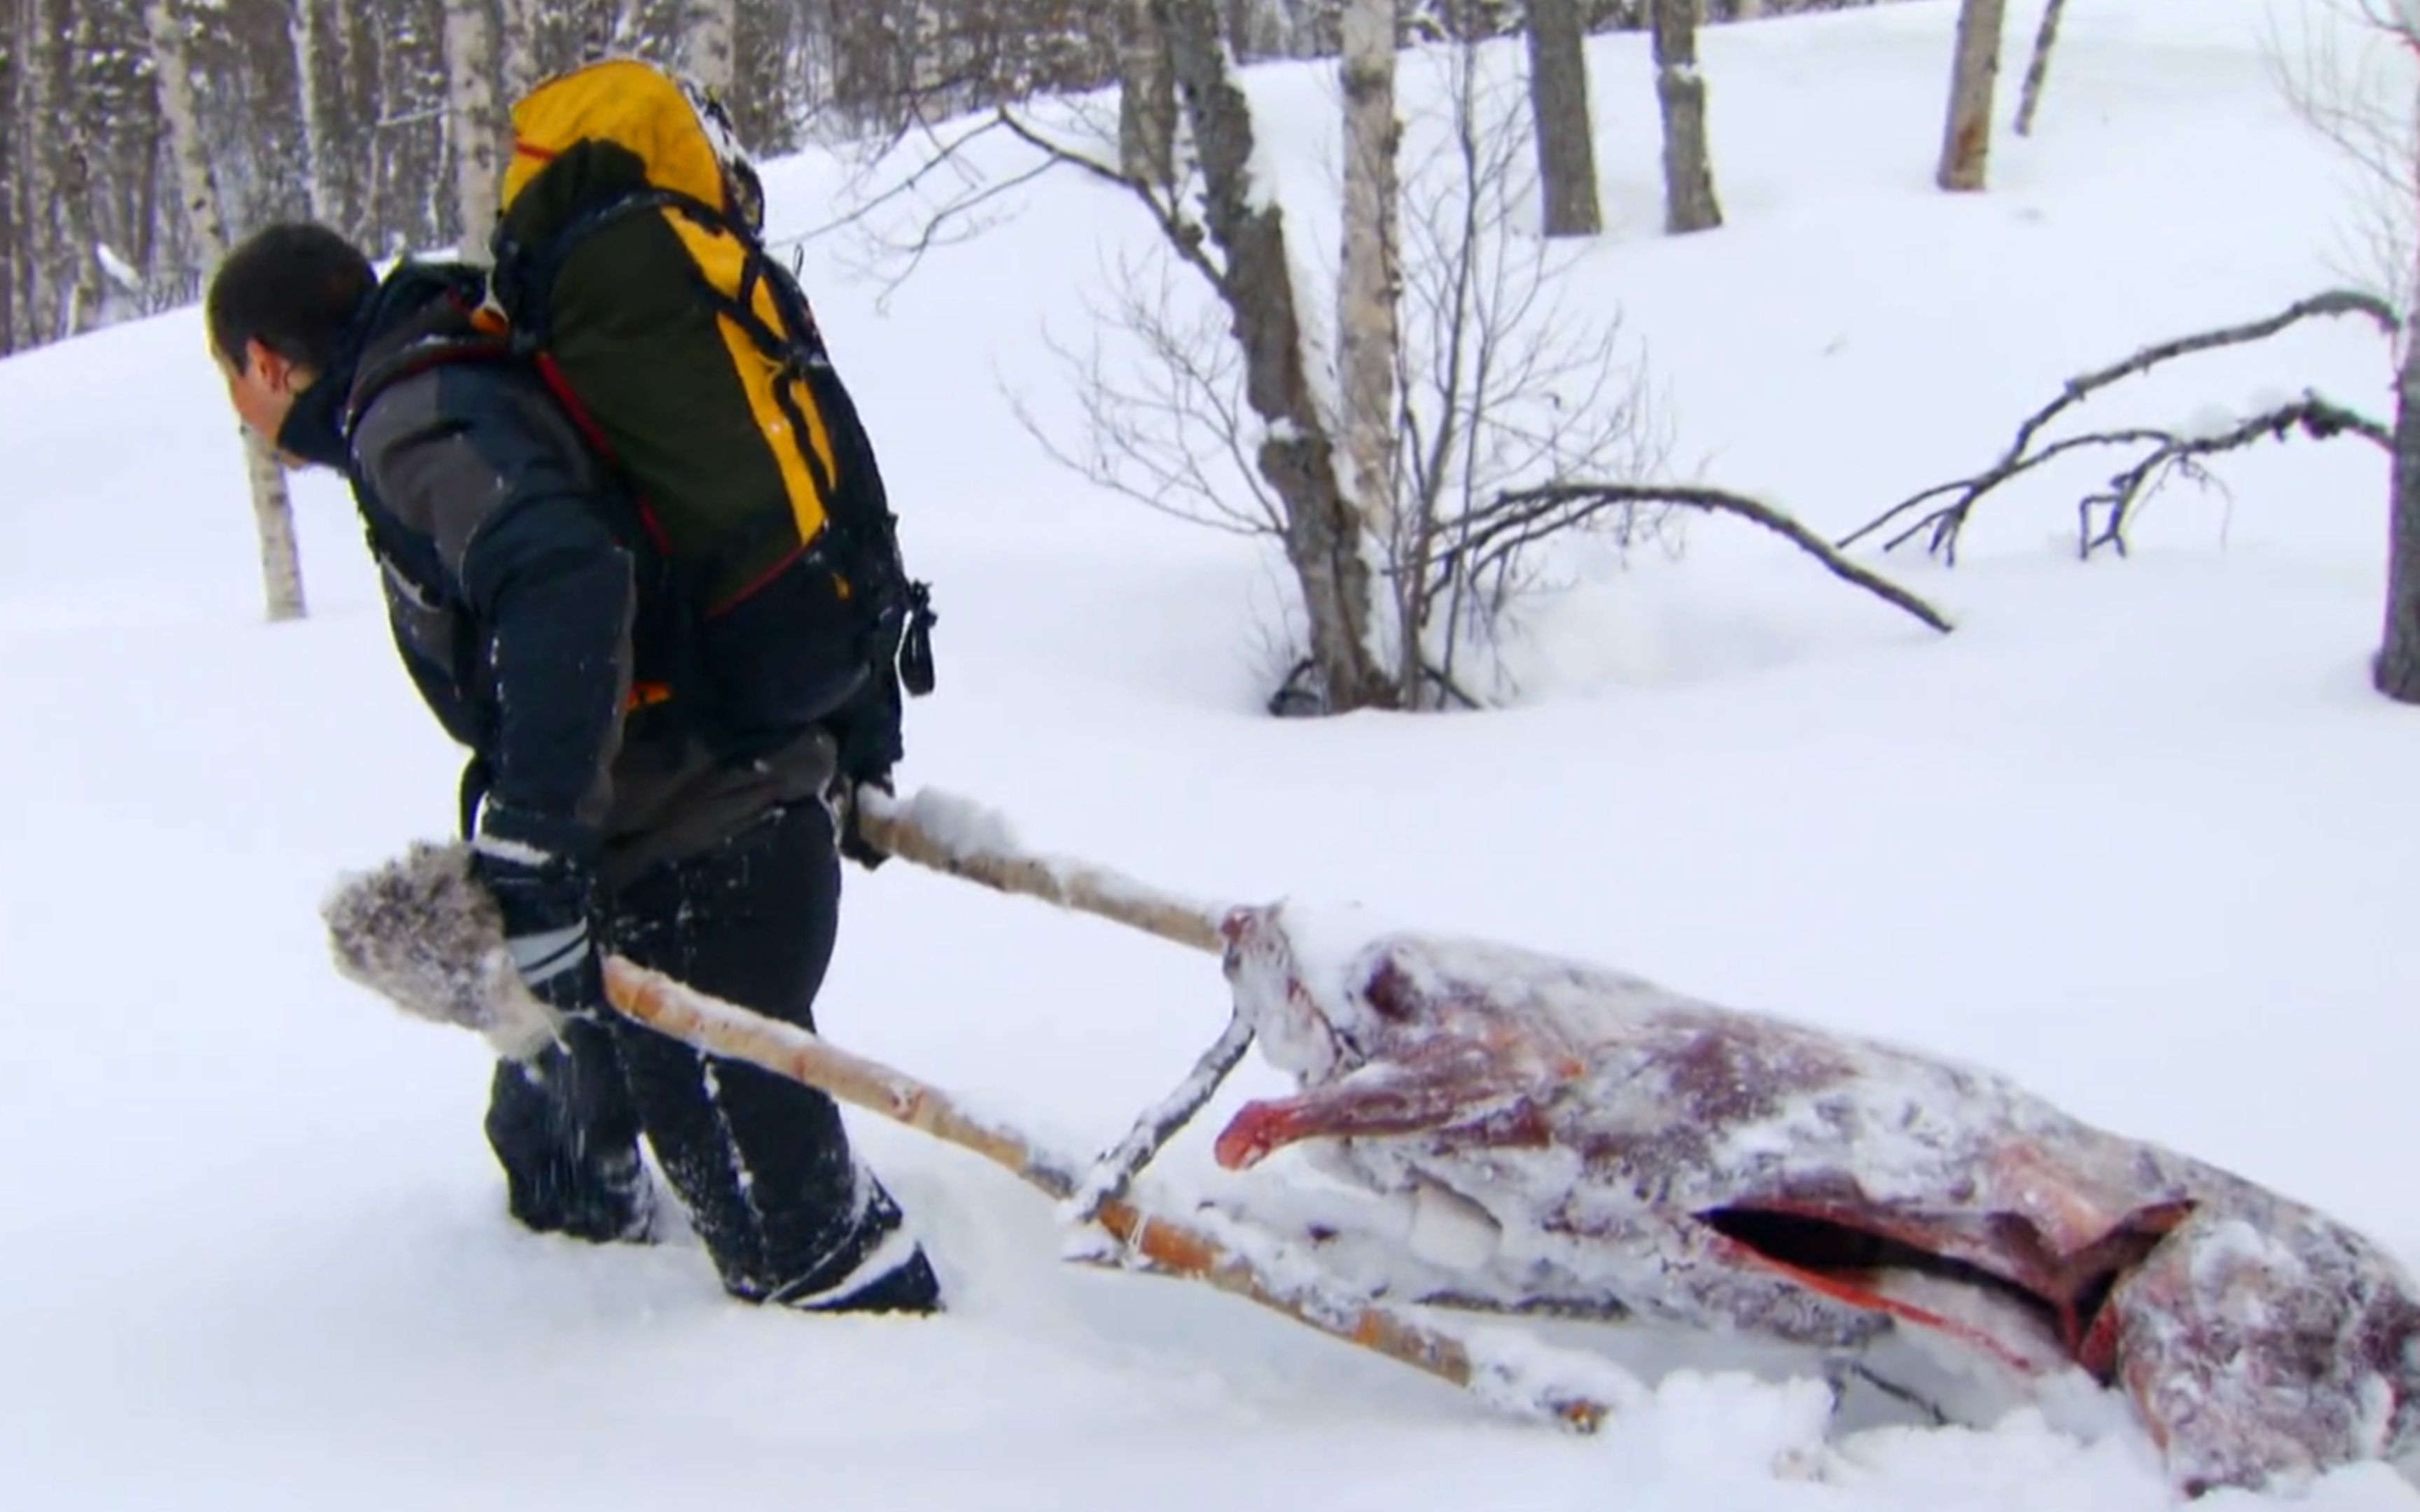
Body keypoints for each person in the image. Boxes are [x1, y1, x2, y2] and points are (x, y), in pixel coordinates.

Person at [208, 222, 942, 1316]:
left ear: (267, 363)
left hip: (705, 843)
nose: (239, 410)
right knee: (556, 1136)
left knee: (797, 1249)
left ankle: (937, 1412)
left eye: (231, 380)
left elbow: (567, 575)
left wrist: (537, 838)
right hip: (668, 826)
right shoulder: (452, 366)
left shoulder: (416, 414)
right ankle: (576, 1255)